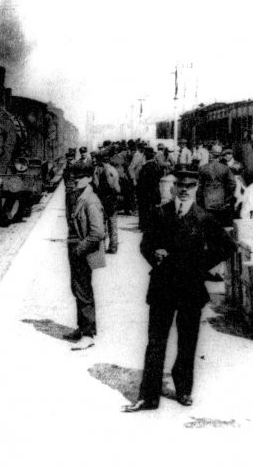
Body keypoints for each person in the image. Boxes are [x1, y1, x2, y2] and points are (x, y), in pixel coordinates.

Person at [123, 166, 233, 412]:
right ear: (173, 187)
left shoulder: (204, 218)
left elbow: (227, 246)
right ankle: (148, 396)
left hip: (190, 289)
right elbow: (145, 245)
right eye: (180, 185)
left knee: (187, 341)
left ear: (197, 188)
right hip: (162, 287)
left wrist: (200, 266)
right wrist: (155, 255)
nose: (184, 190)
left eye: (190, 186)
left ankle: (183, 389)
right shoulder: (159, 213)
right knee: (155, 342)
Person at [64, 162, 107, 351]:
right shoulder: (80, 196)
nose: (76, 180)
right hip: (76, 248)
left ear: (89, 178)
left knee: (83, 291)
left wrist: (79, 249)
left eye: (80, 177)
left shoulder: (91, 200)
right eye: (74, 178)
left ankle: (88, 334)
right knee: (77, 288)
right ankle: (82, 328)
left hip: (84, 251)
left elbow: (98, 233)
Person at [196, 144, 237, 226]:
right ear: (220, 155)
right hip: (220, 200)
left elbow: (199, 186)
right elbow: (233, 184)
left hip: (206, 201)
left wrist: (199, 200)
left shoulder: (202, 168)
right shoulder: (225, 168)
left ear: (210, 154)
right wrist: (227, 196)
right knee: (218, 224)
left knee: (206, 225)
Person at [92, 151, 121, 253]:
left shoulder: (98, 170)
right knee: (113, 224)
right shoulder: (114, 169)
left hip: (102, 199)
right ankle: (113, 247)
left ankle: (102, 247)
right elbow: (117, 188)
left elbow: (96, 184)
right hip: (112, 200)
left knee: (102, 223)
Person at [136, 147, 164, 230]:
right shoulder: (156, 166)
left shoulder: (145, 167)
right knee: (155, 208)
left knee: (145, 209)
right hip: (155, 190)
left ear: (146, 156)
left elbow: (140, 180)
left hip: (146, 191)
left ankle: (144, 225)